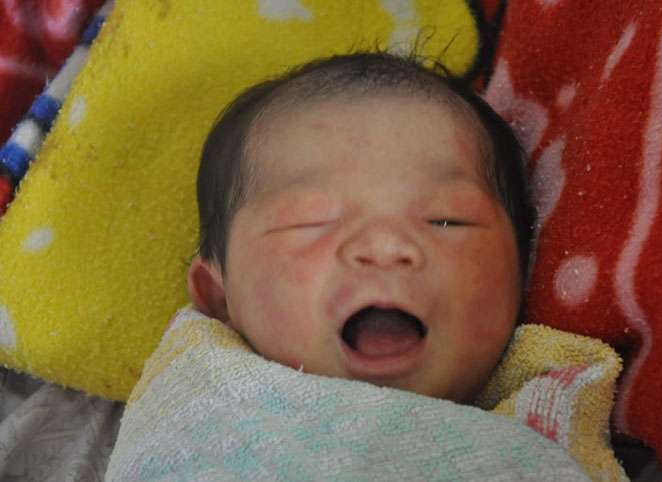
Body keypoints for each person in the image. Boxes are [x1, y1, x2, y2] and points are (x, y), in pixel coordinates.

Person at [186, 52, 535, 405]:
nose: (386, 245)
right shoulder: (191, 411)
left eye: (446, 220)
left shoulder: (556, 407)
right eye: (311, 220)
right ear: (220, 298)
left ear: (522, 273)